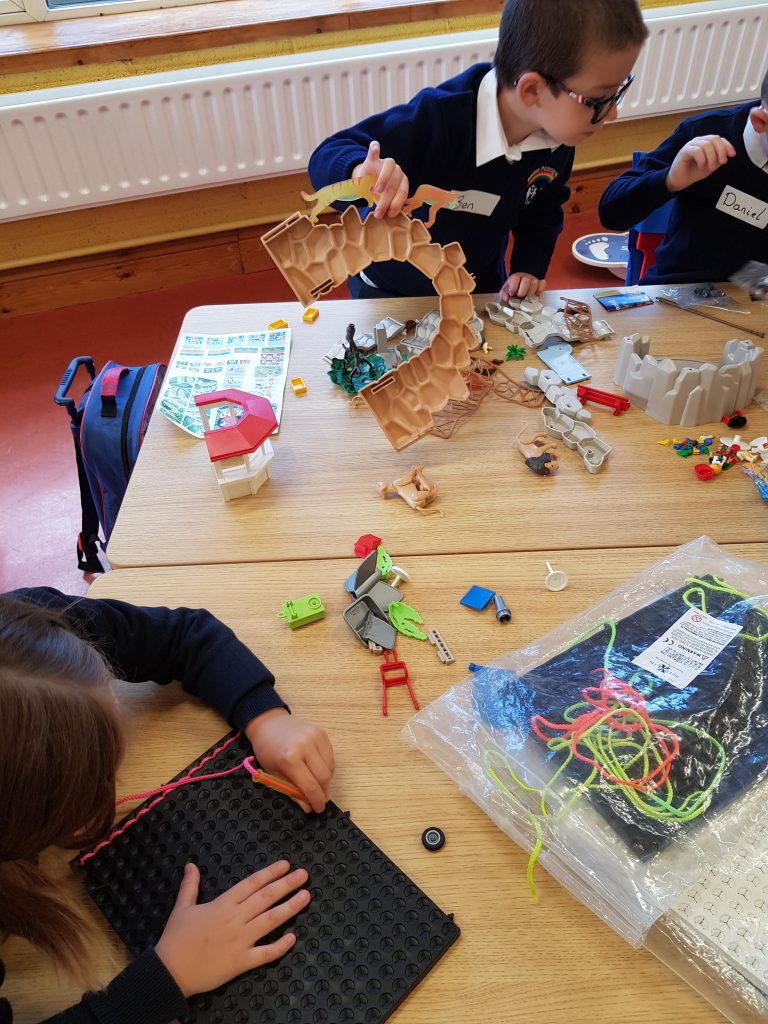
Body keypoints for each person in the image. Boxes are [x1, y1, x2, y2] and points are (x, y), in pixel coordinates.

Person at [0, 587, 335, 1024]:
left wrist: (265, 717)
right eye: (98, 778)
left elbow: (185, 635)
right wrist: (166, 977)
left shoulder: (30, 637)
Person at [307, 0, 646, 301]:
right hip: (389, 290)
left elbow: (542, 206)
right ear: (531, 91)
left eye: (617, 94)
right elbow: (328, 153)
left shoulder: (557, 139)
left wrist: (528, 266)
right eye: (598, 101)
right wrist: (357, 172)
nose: (612, 113)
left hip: (476, 285)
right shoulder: (439, 118)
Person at [599, 70, 768, 283]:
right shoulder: (704, 132)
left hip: (756, 292)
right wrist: (669, 180)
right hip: (679, 286)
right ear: (760, 121)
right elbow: (611, 212)